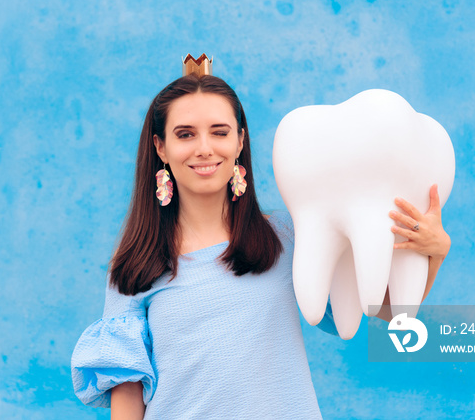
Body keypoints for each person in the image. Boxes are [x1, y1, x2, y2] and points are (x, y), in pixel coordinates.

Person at [71, 64, 451, 419]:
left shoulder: (284, 236)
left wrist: (432, 255)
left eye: (219, 132)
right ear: (160, 148)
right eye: (185, 134)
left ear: (240, 141)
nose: (204, 148)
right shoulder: (137, 263)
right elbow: (127, 397)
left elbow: (383, 313)